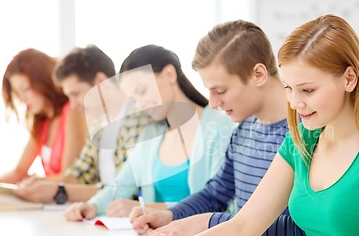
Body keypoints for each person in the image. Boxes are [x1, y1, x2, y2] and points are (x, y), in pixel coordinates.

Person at [140, 14, 359, 236]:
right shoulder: (301, 142)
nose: (294, 104)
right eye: (289, 89)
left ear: (349, 78)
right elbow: (243, 227)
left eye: (307, 90)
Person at [130, 20, 307, 236]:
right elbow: (217, 193)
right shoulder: (245, 129)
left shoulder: (306, 131)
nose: (212, 103)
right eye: (209, 91)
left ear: (258, 74)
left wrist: (209, 223)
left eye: (221, 90)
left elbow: (304, 229)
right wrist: (170, 215)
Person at [64, 44, 235, 221]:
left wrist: (150, 209)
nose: (140, 105)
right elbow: (121, 184)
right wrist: (92, 205)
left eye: (142, 91)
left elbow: (221, 203)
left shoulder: (220, 128)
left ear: (169, 74)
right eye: (134, 99)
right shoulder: (151, 134)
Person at [13, 44, 150, 203]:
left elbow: (127, 191)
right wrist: (43, 184)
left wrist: (59, 191)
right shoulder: (99, 125)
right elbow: (79, 175)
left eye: (76, 94)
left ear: (101, 82)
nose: (73, 105)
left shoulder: (139, 118)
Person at [0, 48, 86, 187]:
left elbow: (69, 178)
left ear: (44, 82)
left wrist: (33, 183)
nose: (22, 98)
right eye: (18, 92)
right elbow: (19, 172)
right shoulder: (42, 122)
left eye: (25, 89)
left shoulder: (73, 112)